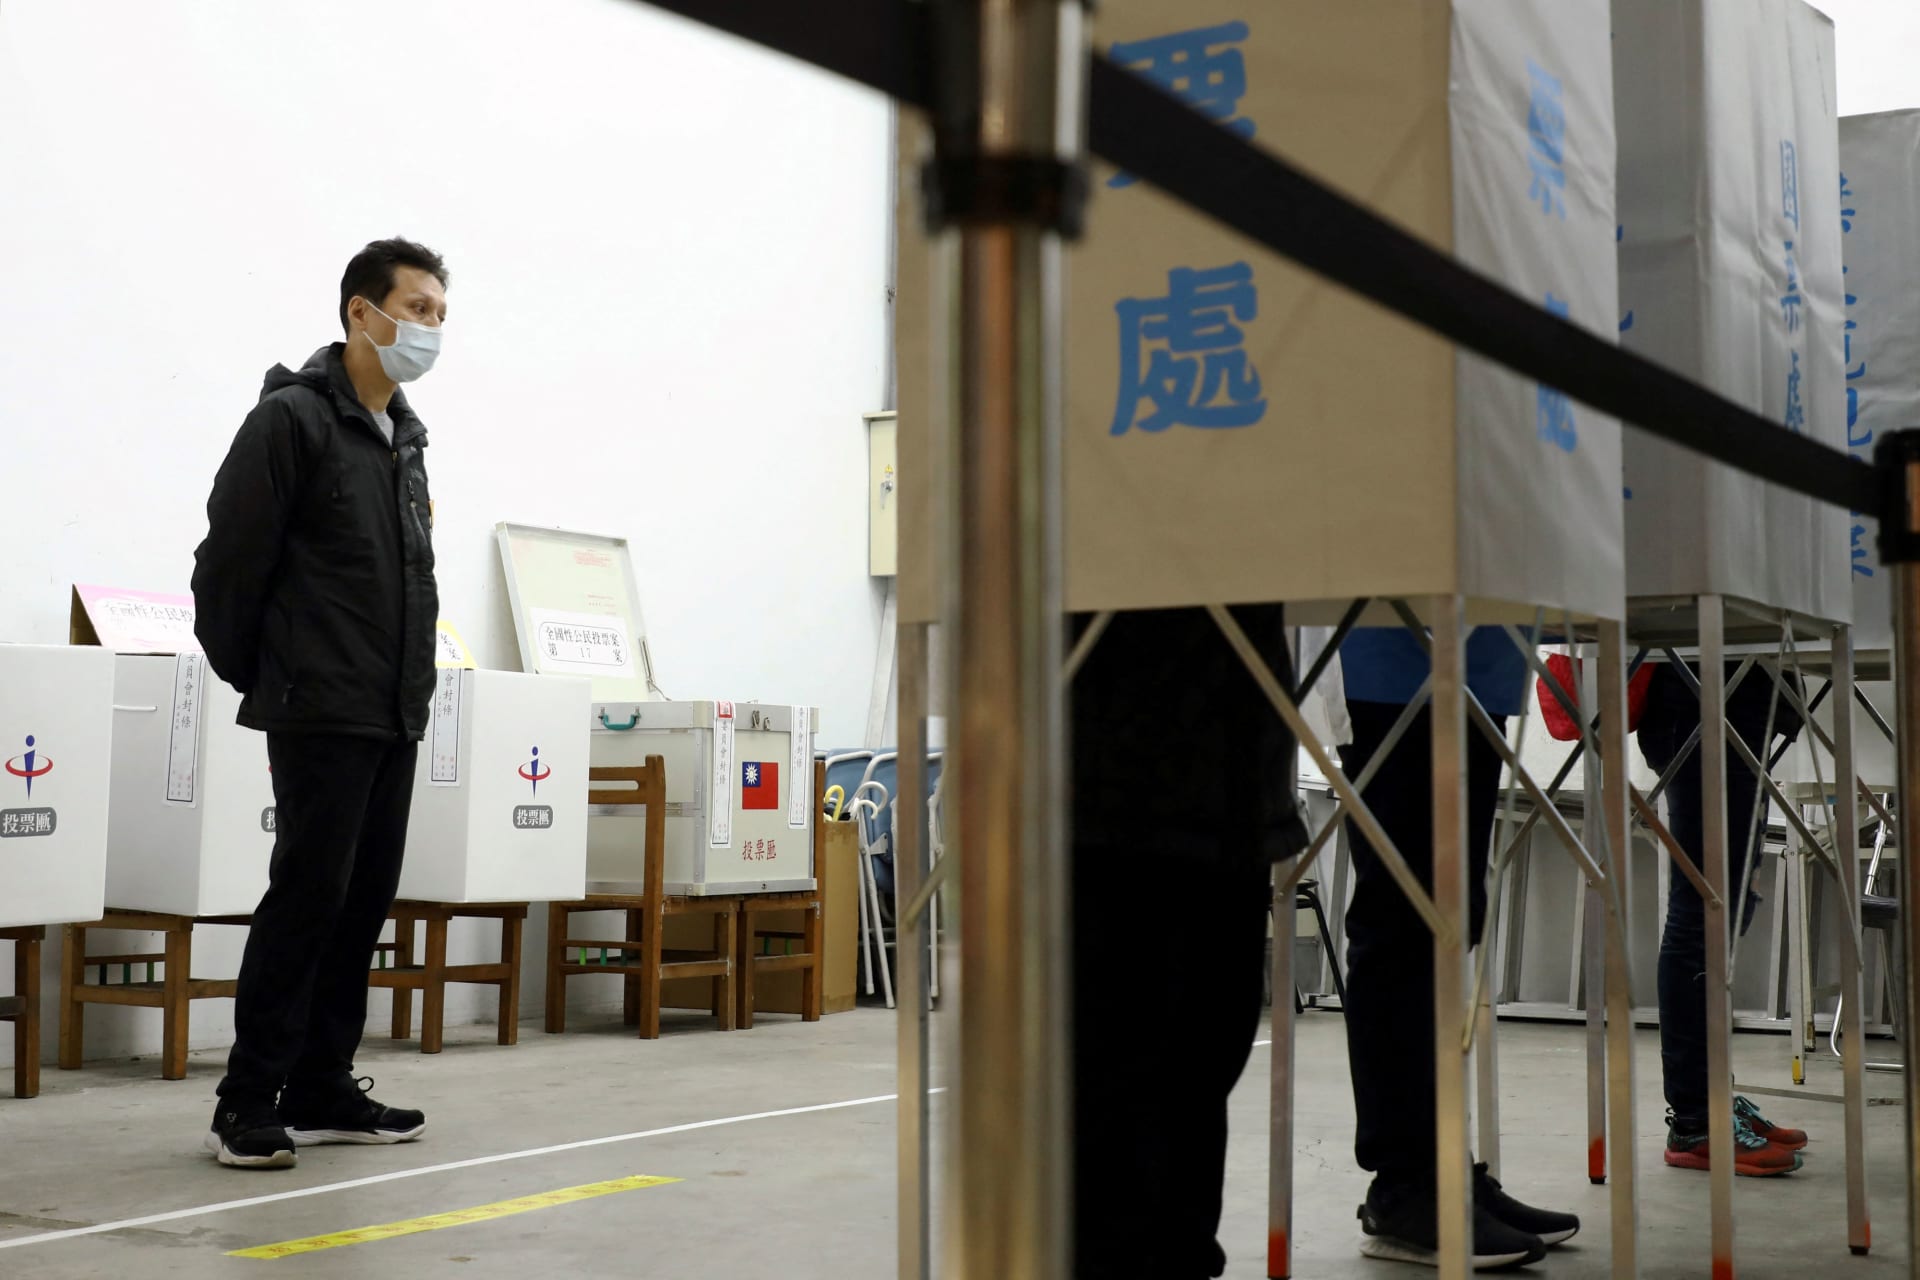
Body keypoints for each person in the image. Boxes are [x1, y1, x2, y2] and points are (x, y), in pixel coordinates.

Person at [192, 238, 448, 1170]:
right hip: (318, 707)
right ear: (359, 313)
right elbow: (225, 569)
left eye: (438, 316)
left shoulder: (404, 440)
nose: (428, 329)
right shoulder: (292, 422)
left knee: (361, 900)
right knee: (306, 897)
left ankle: (322, 1085)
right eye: (415, 309)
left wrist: (406, 692)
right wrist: (266, 675)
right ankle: (246, 1102)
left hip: (392, 711)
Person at [1336, 626, 1580, 1270]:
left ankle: (1439, 1168)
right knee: (1402, 916)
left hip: (1479, 654)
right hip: (1390, 653)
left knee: (1447, 918)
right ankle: (1403, 1185)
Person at [1070, 605, 1299, 1278]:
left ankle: (1174, 1253)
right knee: (1118, 1060)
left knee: (1203, 1053)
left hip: (1231, 765)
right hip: (1102, 768)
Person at [1635, 663, 1808, 1176]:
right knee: (1702, 909)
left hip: (1737, 684)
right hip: (1702, 684)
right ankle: (1695, 1122)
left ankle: (1710, 1099)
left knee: (1723, 908)